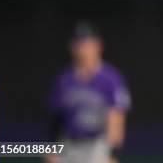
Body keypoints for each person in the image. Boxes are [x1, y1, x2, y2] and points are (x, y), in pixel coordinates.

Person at [46, 21, 131, 163]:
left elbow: (116, 118)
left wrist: (112, 153)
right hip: (69, 142)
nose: (82, 48)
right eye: (78, 43)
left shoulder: (110, 78)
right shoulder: (64, 79)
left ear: (99, 46)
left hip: (97, 145)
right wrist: (51, 150)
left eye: (87, 43)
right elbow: (55, 119)